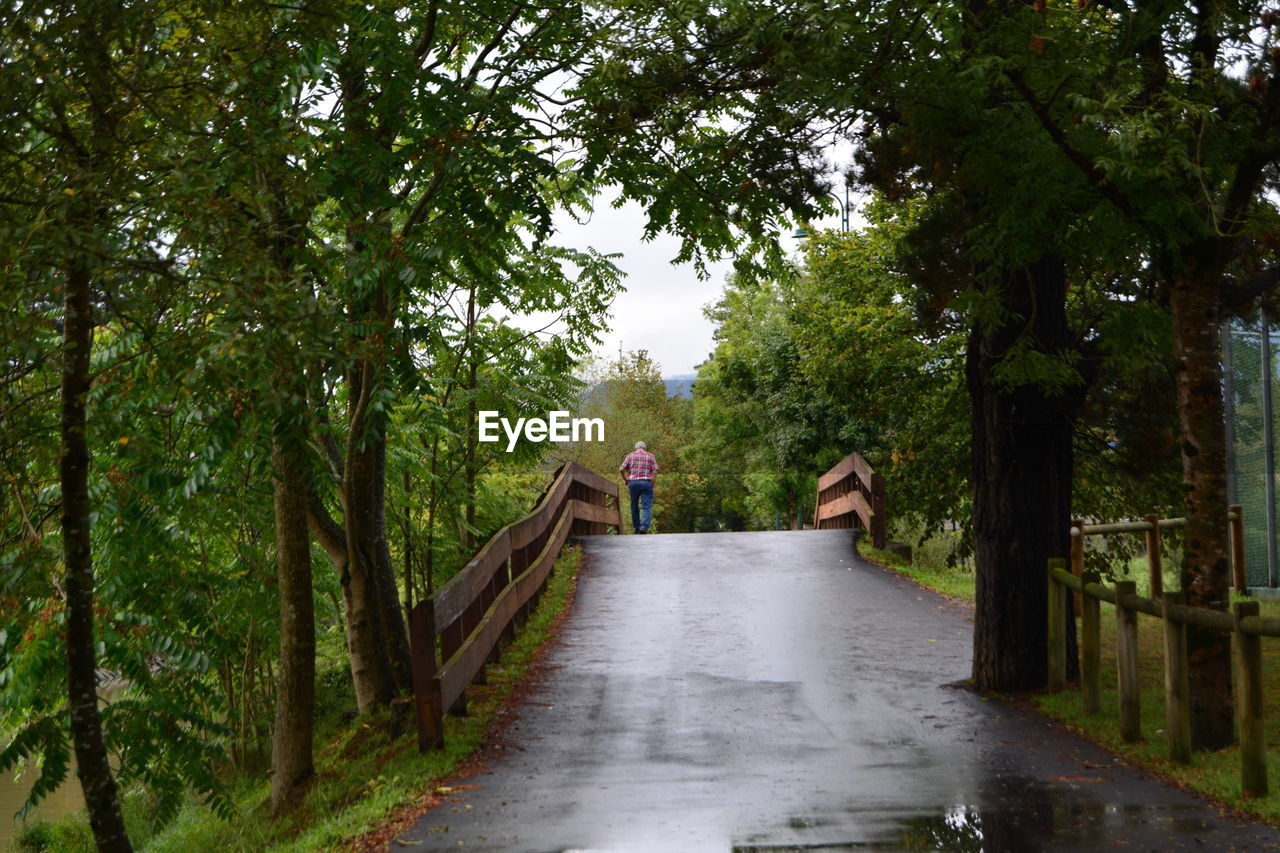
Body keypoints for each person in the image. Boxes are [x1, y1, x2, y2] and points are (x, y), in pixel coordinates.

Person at [619, 440, 658, 534]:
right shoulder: (650, 456)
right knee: (646, 506)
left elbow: (621, 469)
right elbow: (655, 472)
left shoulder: (630, 455)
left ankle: (637, 528)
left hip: (633, 483)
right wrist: (652, 484)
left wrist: (626, 480)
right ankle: (644, 526)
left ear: (636, 448)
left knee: (634, 506)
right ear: (644, 448)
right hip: (646, 482)